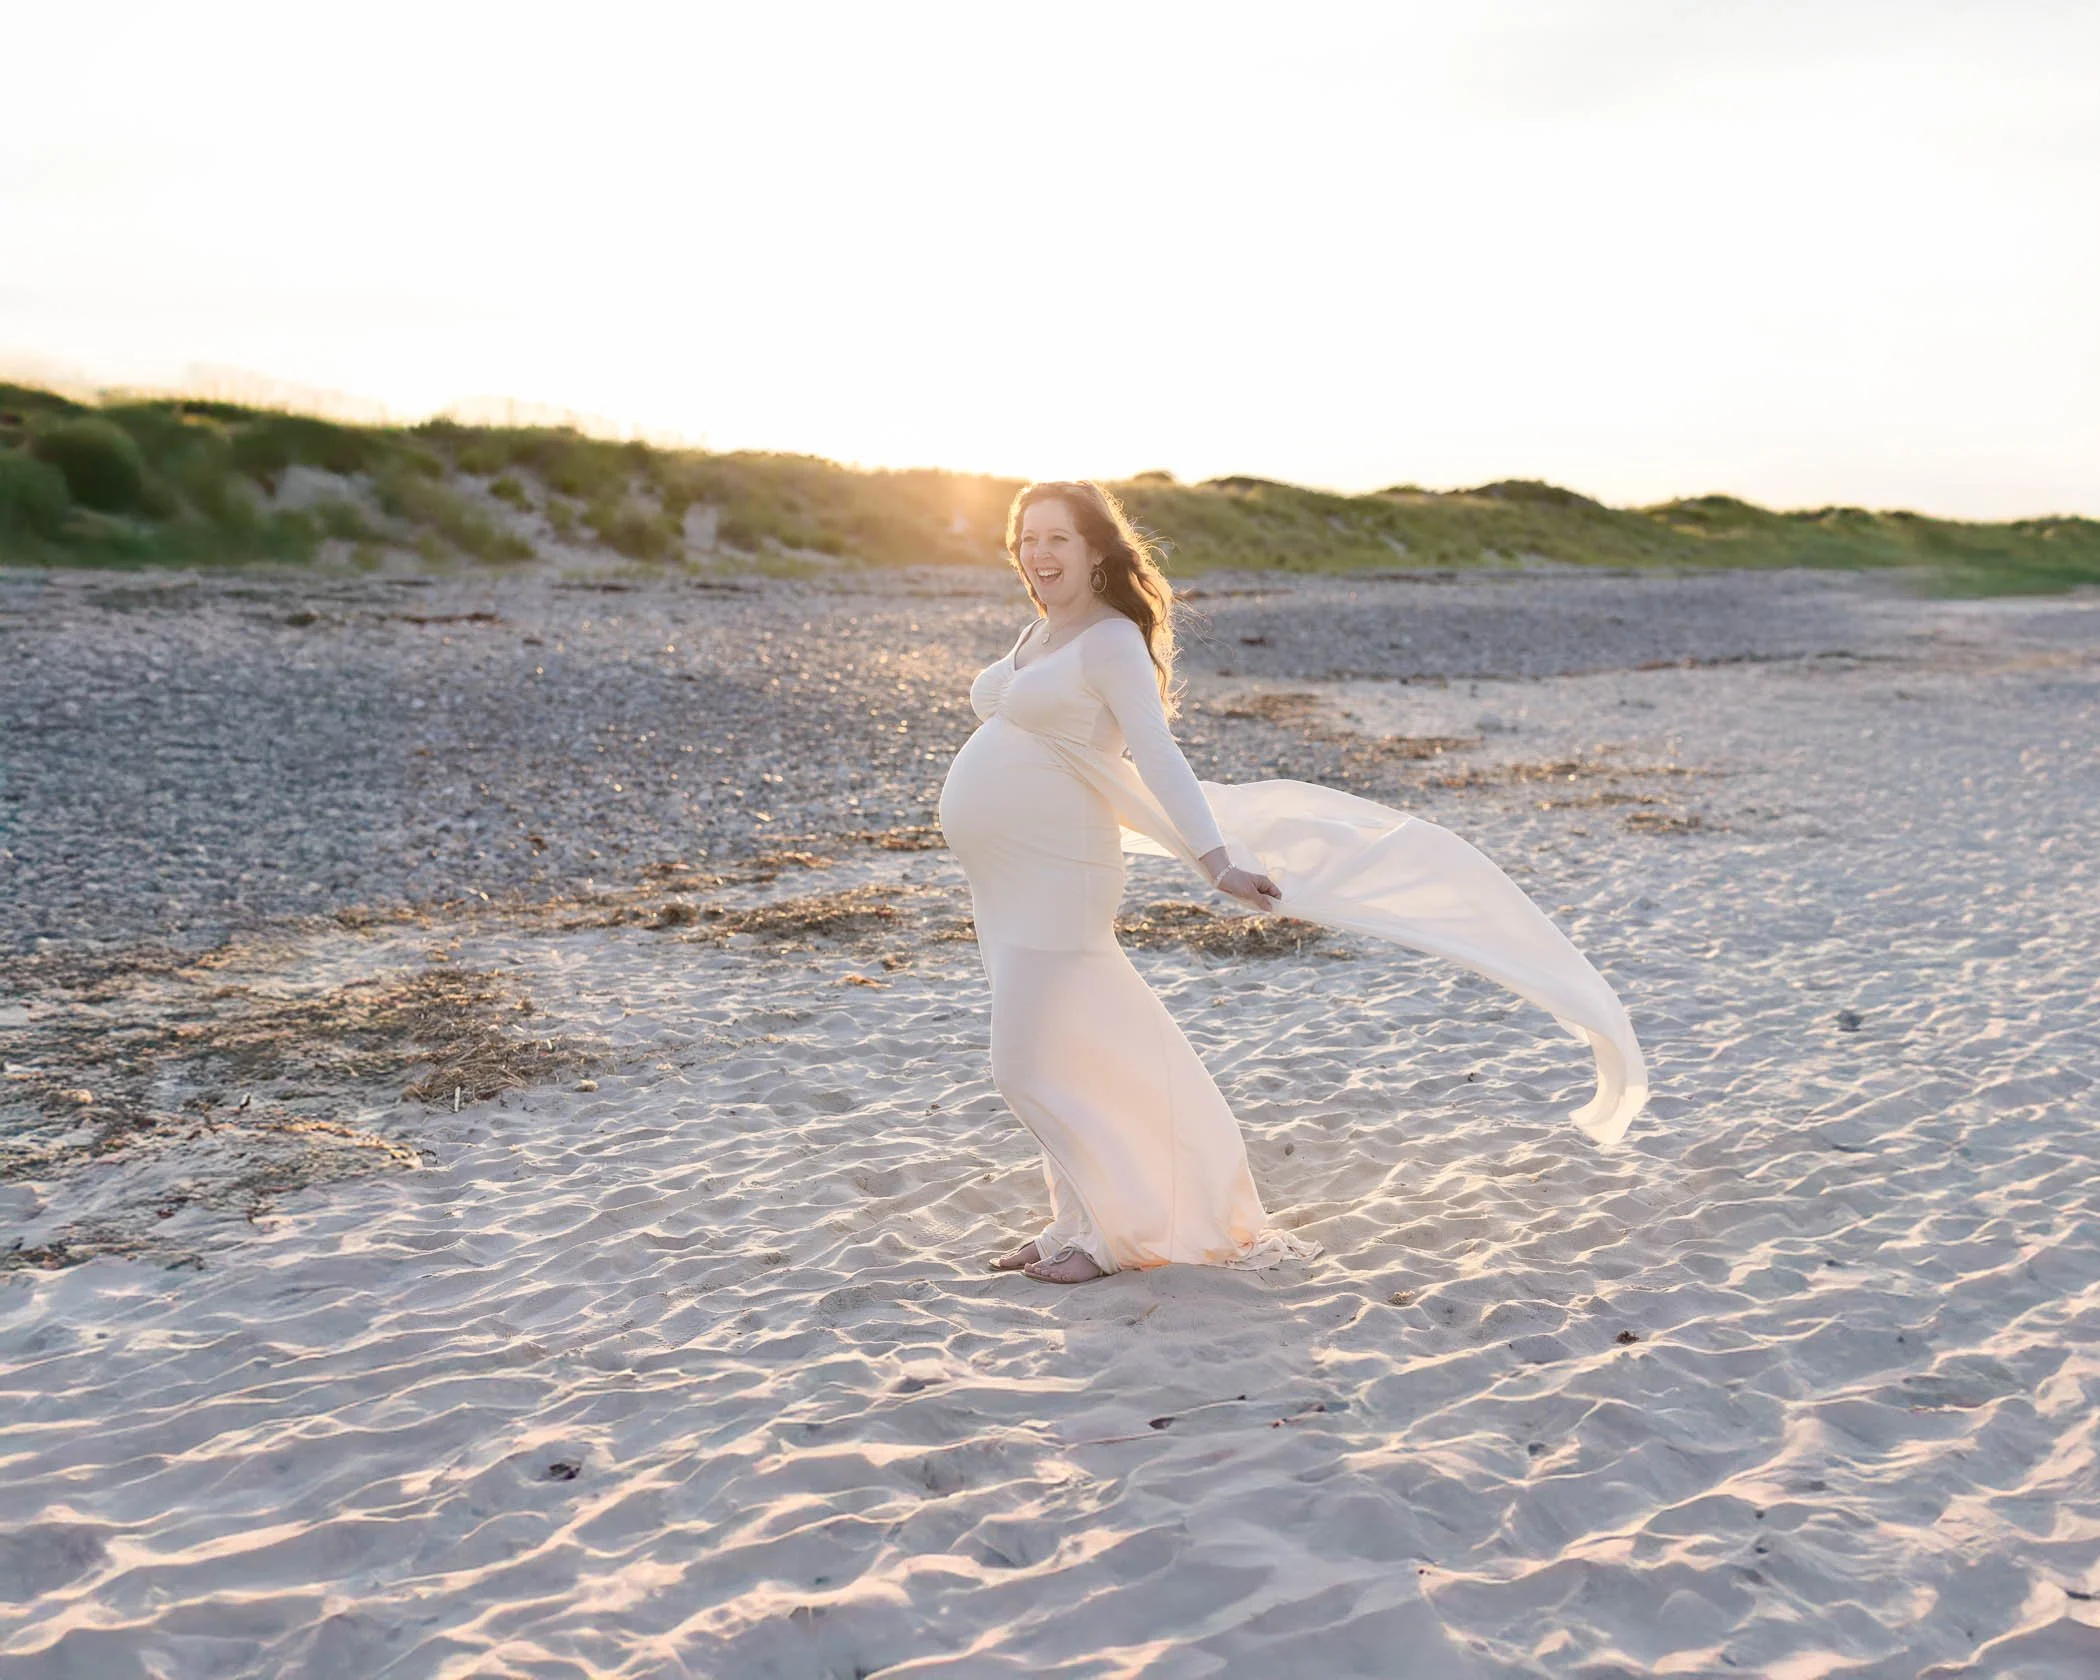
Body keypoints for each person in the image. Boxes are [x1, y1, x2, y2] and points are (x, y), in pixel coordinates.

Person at [937, 481, 1647, 1285]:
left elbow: (1159, 758)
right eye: (1027, 539)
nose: (1038, 554)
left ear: (1097, 549)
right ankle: (1076, 1220)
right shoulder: (1040, 630)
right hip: (1005, 883)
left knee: (1023, 1063)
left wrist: (1216, 862)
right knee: (1065, 1048)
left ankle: (1117, 1232)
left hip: (1060, 875)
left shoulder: (1109, 642)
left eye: (1057, 539)